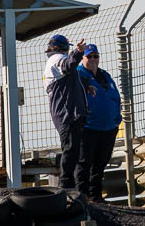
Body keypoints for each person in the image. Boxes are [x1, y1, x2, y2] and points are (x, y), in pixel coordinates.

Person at [75, 44, 122, 203]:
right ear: (83, 58)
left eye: (96, 56)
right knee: (84, 163)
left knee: (100, 164)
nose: (93, 59)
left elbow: (115, 97)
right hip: (88, 128)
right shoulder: (79, 75)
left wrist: (117, 118)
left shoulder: (105, 75)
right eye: (89, 56)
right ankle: (82, 196)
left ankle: (96, 196)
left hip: (108, 128)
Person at [43, 34, 87, 189]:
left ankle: (70, 186)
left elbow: (68, 83)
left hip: (68, 113)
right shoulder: (56, 59)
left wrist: (87, 87)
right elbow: (67, 65)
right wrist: (79, 52)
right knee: (70, 150)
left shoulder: (53, 61)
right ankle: (66, 187)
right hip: (66, 114)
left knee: (73, 151)